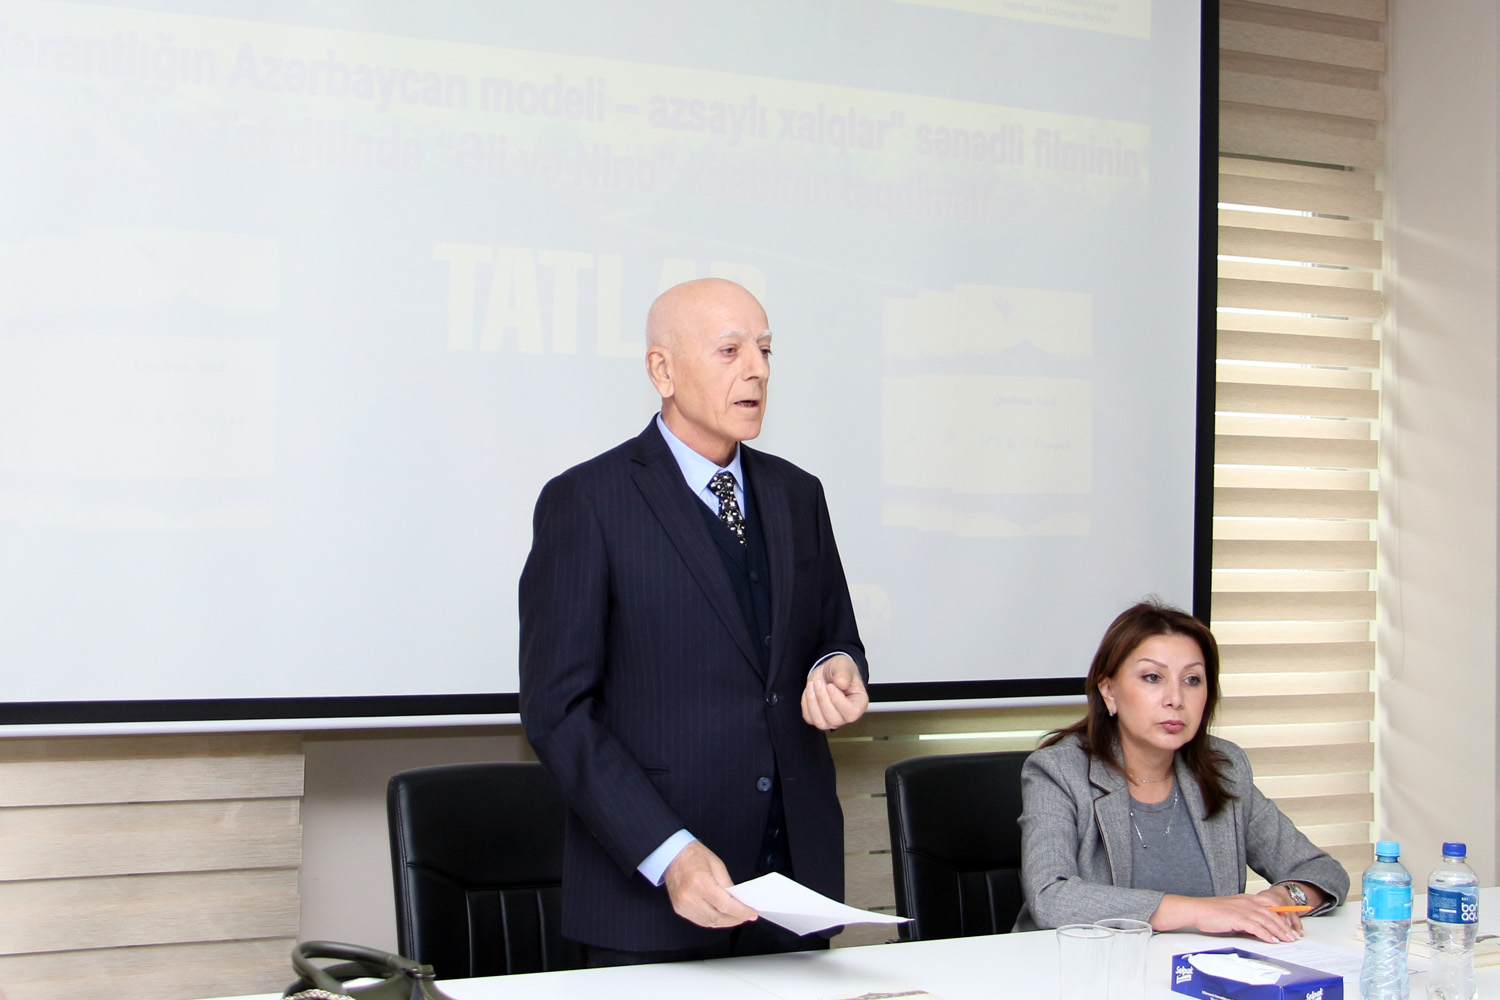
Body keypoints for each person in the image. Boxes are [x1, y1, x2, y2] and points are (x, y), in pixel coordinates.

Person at [518, 277, 870, 966]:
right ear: (663, 370)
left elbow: (835, 637)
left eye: (765, 350)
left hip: (795, 892)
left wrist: (837, 669)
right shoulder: (587, 501)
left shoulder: (799, 494)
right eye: (731, 350)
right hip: (650, 903)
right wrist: (668, 853)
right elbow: (558, 713)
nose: (758, 370)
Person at [1014, 599, 1348, 942]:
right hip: (1089, 966)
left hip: (1202, 967)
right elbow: (1050, 897)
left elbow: (1322, 870)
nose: (1175, 698)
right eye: (1153, 677)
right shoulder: (1059, 771)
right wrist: (1200, 911)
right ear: (1109, 691)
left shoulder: (1224, 768)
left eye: (1192, 679)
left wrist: (1281, 897)